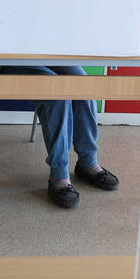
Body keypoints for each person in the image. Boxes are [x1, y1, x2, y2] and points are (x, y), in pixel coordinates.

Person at [16, 66, 119, 208]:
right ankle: (59, 173)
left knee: (84, 84)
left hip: (51, 56)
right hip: (13, 60)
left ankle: (88, 161)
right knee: (57, 91)